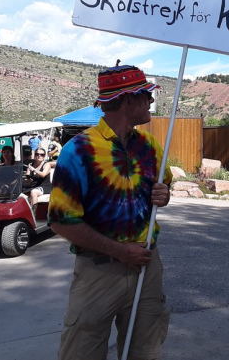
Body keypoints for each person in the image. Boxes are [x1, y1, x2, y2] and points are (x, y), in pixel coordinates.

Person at [48, 63, 172, 360]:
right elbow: (61, 222)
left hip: (146, 266)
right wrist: (118, 251)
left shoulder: (151, 146)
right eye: (147, 95)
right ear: (128, 100)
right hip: (98, 272)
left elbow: (164, 186)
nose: (151, 102)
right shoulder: (79, 150)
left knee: (146, 352)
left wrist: (164, 194)